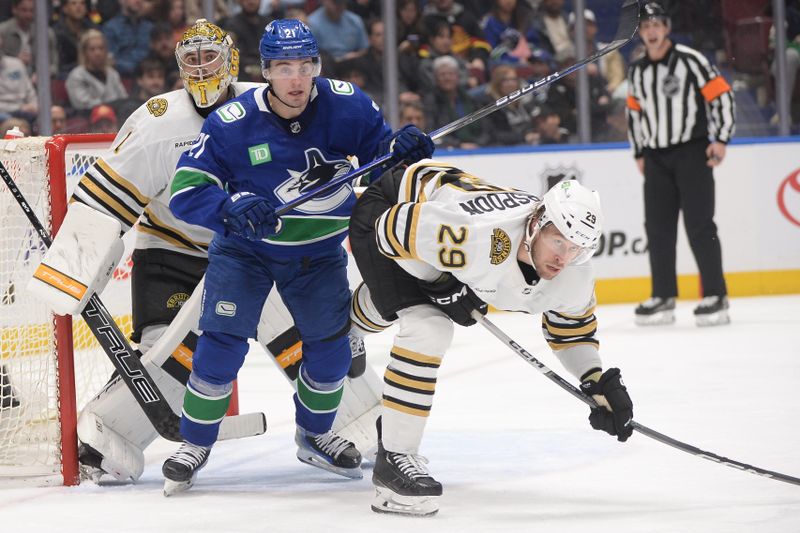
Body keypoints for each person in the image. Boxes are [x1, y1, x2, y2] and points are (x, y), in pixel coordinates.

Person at [164, 19, 434, 495]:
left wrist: (402, 152)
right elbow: (186, 189)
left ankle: (314, 434)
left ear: (317, 65)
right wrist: (228, 207)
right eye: (283, 67)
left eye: (305, 65)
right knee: (220, 347)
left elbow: (382, 159)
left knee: (331, 355)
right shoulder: (231, 123)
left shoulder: (347, 104)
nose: (295, 78)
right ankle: (195, 442)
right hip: (245, 252)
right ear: (265, 71)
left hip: (317, 255)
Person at [42, 19, 263, 484]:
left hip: (258, 255)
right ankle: (108, 438)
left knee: (322, 337)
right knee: (167, 357)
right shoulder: (159, 119)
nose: (202, 68)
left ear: (232, 62)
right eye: (192, 59)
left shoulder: (271, 104)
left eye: (211, 57)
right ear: (179, 66)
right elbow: (105, 199)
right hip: (173, 249)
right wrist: (77, 264)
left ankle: (350, 424)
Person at [347, 163, 634, 516]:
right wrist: (439, 282)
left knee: (404, 298)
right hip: (390, 206)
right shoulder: (477, 234)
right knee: (428, 324)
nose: (564, 257)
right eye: (558, 240)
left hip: (440, 233)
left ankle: (347, 327)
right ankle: (394, 459)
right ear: (536, 224)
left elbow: (570, 328)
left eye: (577, 248)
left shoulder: (574, 273)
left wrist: (594, 379)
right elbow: (391, 231)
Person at [626, 2, 735, 327]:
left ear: (667, 28)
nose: (651, 31)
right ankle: (663, 296)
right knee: (657, 229)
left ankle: (716, 295)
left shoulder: (691, 60)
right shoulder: (637, 70)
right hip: (656, 158)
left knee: (700, 226)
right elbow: (634, 114)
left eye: (657, 24)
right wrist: (639, 153)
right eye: (645, 26)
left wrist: (721, 139)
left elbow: (723, 96)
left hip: (693, 152)